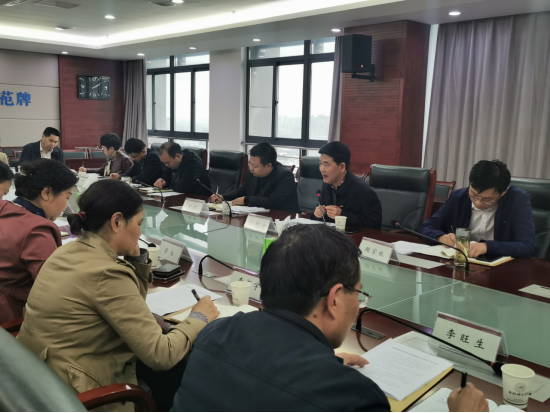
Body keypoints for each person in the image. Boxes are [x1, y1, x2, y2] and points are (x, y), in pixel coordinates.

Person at [172, 225, 489, 412]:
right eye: (358, 294)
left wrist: (320, 359)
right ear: (335, 299)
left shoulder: (214, 332)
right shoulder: (354, 398)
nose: (358, 306)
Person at [17, 179, 219, 411]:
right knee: (173, 380)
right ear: (117, 221)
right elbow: (161, 355)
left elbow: (132, 304)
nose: (140, 232)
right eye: (139, 224)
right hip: (78, 394)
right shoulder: (107, 273)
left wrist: (136, 259)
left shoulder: (68, 250)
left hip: (40, 378)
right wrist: (199, 317)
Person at [0, 159, 77, 324]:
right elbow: (54, 289)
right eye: (67, 196)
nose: (65, 206)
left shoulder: (4, 208)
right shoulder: (37, 230)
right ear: (47, 193)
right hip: (12, 320)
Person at [419, 160, 536, 258]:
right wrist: (441, 237)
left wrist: (486, 247)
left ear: (503, 192)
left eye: (487, 200)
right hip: (460, 263)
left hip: (499, 268)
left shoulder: (517, 201)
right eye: (473, 195)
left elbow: (527, 246)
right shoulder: (458, 197)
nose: (478, 203)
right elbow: (426, 227)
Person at [211, 142, 300, 213]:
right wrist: (223, 197)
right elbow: (242, 191)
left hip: (281, 219)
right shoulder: (252, 173)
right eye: (250, 164)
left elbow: (273, 202)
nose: (251, 168)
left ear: (269, 166)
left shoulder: (285, 176)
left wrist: (246, 200)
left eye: (255, 166)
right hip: (257, 218)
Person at [311, 142, 382, 229]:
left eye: (326, 165)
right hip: (331, 235)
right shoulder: (326, 185)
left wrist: (342, 215)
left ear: (342, 167)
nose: (321, 169)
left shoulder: (363, 192)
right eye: (320, 164)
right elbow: (323, 217)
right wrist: (319, 213)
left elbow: (374, 225)